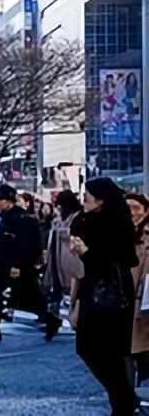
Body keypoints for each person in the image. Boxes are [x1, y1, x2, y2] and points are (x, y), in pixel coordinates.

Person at [70, 178, 140, 416]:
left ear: (101, 200)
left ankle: (123, 401)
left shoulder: (114, 223)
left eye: (87, 198)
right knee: (92, 349)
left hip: (112, 292)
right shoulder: (91, 220)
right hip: (96, 290)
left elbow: (119, 259)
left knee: (103, 350)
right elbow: (76, 225)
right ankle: (124, 399)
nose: (83, 202)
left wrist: (86, 251)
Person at [0, 184, 63, 340]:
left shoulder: (22, 218)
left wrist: (18, 265)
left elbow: (26, 244)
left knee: (30, 299)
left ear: (8, 201)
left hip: (18, 266)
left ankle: (51, 320)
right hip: (3, 264)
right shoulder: (6, 217)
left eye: (0, 200)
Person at [127, 192, 149, 387]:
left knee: (143, 353)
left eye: (137, 208)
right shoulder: (117, 233)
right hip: (121, 302)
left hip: (143, 303)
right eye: (128, 208)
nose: (132, 213)